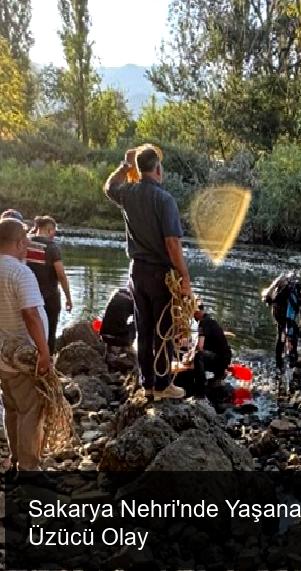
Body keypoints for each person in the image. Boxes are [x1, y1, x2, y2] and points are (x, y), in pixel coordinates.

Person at [103, 145, 190, 400]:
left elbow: (109, 187)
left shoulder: (128, 193)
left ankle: (147, 384)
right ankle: (163, 386)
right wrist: (185, 277)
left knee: (144, 329)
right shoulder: (164, 200)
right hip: (160, 274)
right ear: (158, 169)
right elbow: (172, 243)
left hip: (136, 272)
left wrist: (126, 166)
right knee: (164, 330)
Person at [0, 218, 51, 472]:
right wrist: (44, 352)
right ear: (20, 243)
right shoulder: (21, 272)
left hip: (2, 355)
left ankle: (16, 459)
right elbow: (30, 314)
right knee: (31, 409)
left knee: (11, 407)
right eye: (26, 243)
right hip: (24, 355)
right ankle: (29, 469)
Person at [25, 216, 73, 353]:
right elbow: (61, 275)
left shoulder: (25, 243)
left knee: (28, 331)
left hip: (28, 296)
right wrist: (68, 298)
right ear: (49, 230)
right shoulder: (52, 247)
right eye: (54, 231)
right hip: (49, 297)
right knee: (50, 332)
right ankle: (48, 359)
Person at [262, 272, 301, 375]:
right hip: (289, 319)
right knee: (291, 336)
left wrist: (272, 288)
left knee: (281, 338)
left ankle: (280, 364)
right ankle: (291, 362)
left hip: (281, 318)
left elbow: (269, 300)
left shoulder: (282, 288)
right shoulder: (296, 288)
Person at [191, 303, 232, 385]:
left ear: (197, 311)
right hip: (226, 358)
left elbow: (200, 347)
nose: (192, 316)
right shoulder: (211, 320)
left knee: (198, 356)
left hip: (219, 360)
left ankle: (201, 383)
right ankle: (219, 375)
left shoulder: (203, 324)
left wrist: (191, 356)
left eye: (193, 313)